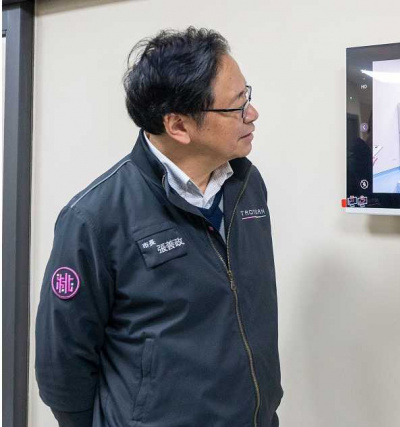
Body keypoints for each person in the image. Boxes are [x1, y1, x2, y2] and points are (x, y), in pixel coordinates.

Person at [35, 28, 283, 427]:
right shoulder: (94, 218)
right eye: (236, 105)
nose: (251, 114)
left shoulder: (246, 184)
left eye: (247, 97)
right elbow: (61, 365)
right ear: (179, 126)